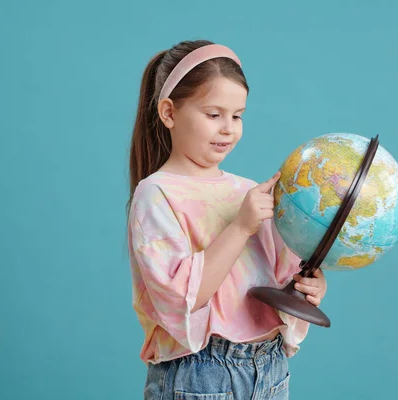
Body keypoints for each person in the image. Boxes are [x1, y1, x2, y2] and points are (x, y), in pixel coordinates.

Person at [126, 40, 328, 399]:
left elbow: (281, 280)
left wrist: (309, 289)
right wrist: (240, 227)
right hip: (202, 375)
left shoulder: (247, 192)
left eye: (237, 115)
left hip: (269, 368)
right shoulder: (156, 194)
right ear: (169, 113)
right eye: (213, 114)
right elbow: (182, 300)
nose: (228, 128)